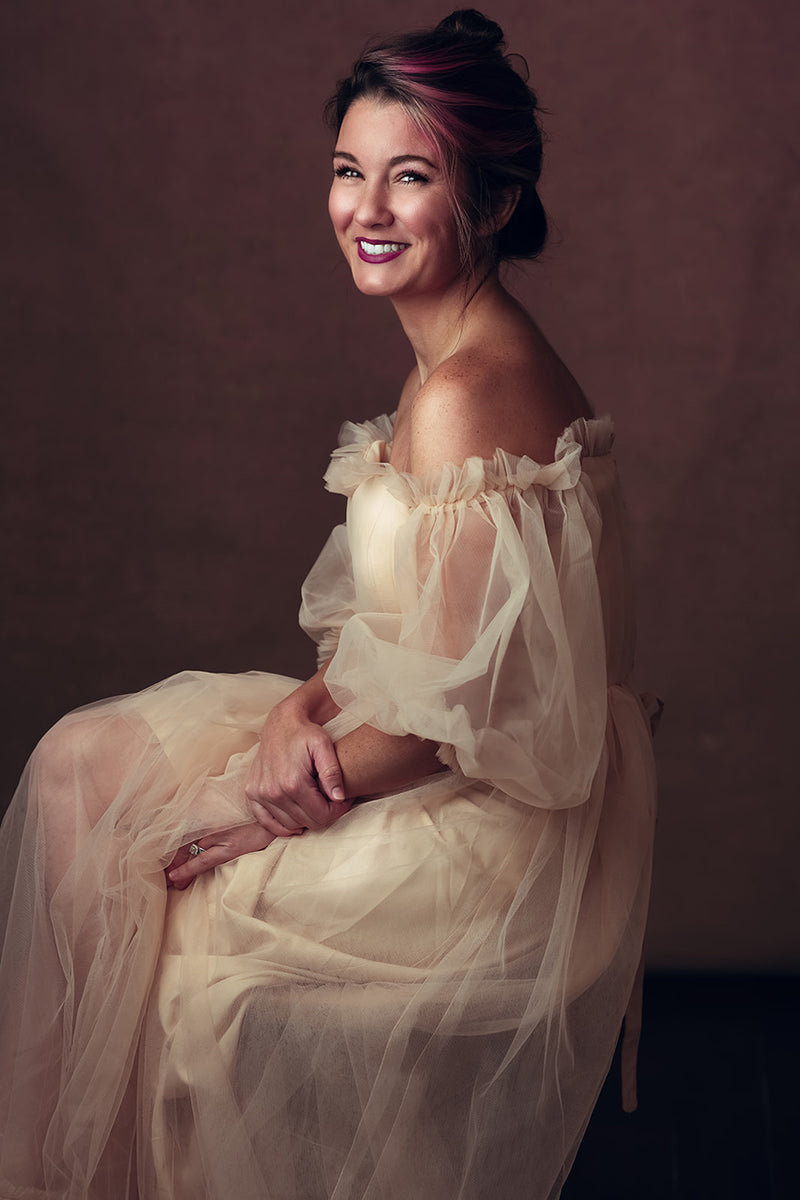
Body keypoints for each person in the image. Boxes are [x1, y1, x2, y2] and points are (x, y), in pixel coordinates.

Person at [0, 9, 656, 1199]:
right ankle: (50, 1174)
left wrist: (269, 807)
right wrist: (295, 711)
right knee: (73, 771)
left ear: (493, 202)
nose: (366, 208)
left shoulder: (465, 392)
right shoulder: (446, 361)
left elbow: (461, 718)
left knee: (144, 862)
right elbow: (413, 633)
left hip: (489, 825)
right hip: (418, 744)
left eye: (410, 177)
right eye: (349, 171)